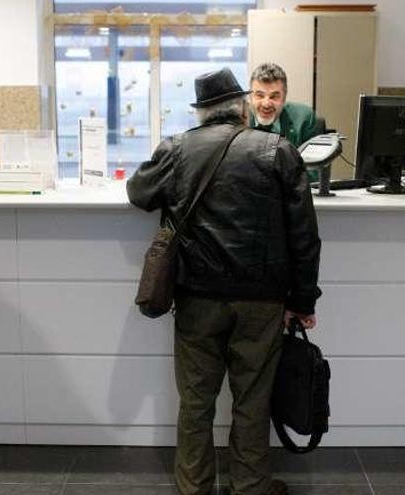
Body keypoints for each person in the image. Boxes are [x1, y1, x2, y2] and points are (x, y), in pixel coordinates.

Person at [127, 67, 322, 495]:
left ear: (202, 112)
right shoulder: (279, 150)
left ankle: (195, 487)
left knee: (196, 402)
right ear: (242, 107)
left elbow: (138, 193)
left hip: (198, 299)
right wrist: (303, 300)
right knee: (252, 402)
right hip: (263, 302)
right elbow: (305, 235)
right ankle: (249, 486)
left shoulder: (178, 148)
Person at [248, 62, 324, 182]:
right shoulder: (237, 120)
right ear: (250, 97)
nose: (266, 103)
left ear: (284, 98)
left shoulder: (305, 119)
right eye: (260, 96)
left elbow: (314, 175)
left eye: (274, 97)